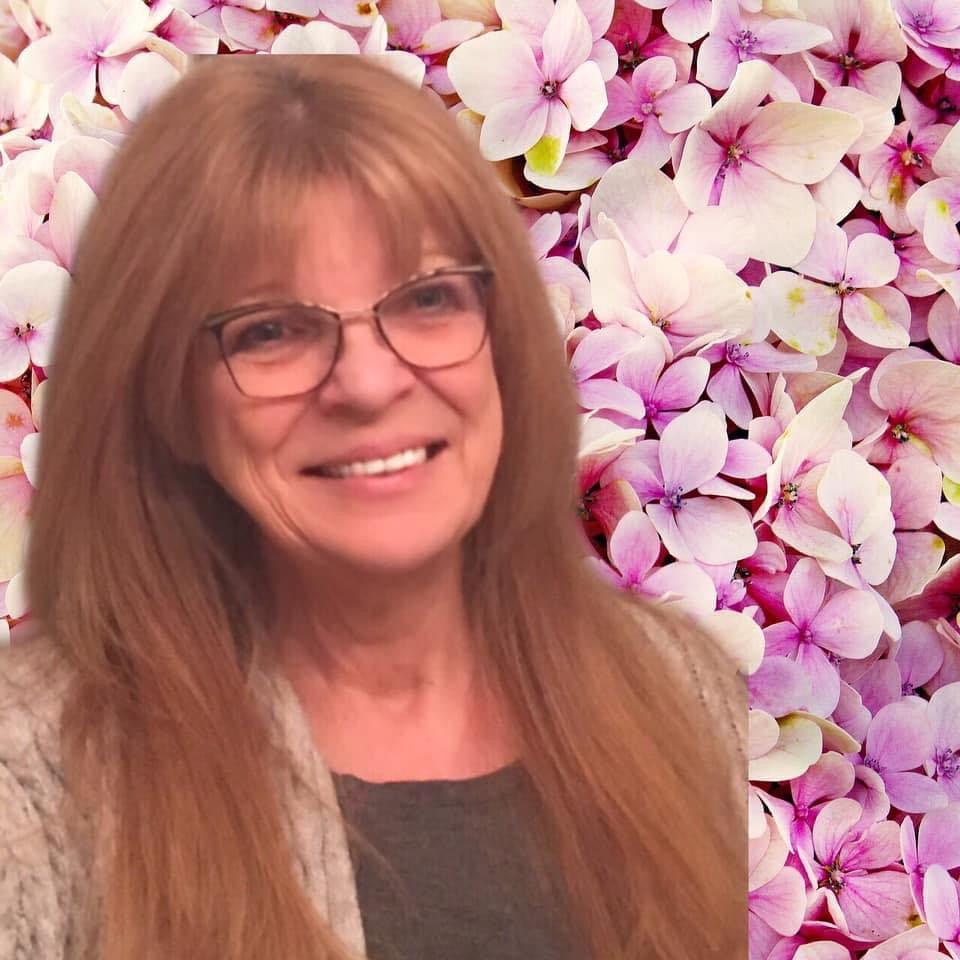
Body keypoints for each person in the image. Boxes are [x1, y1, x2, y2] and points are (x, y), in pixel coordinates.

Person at [0, 53, 746, 960]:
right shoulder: (30, 780)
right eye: (270, 329)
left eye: (428, 298)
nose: (368, 381)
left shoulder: (676, 692)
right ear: (170, 402)